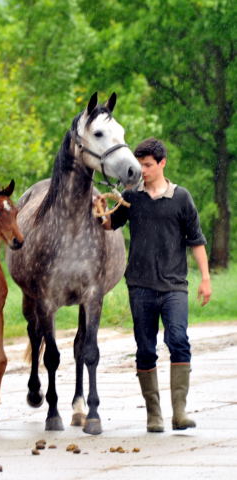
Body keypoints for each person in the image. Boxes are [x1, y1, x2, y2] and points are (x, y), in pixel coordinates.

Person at [108, 138, 212, 433]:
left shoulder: (182, 198)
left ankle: (179, 412)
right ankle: (154, 414)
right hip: (140, 285)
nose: (142, 170)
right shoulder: (132, 197)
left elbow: (197, 241)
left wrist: (205, 278)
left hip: (174, 285)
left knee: (178, 340)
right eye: (139, 164)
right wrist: (100, 208)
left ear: (162, 163)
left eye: (148, 165)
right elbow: (108, 224)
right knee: (145, 348)